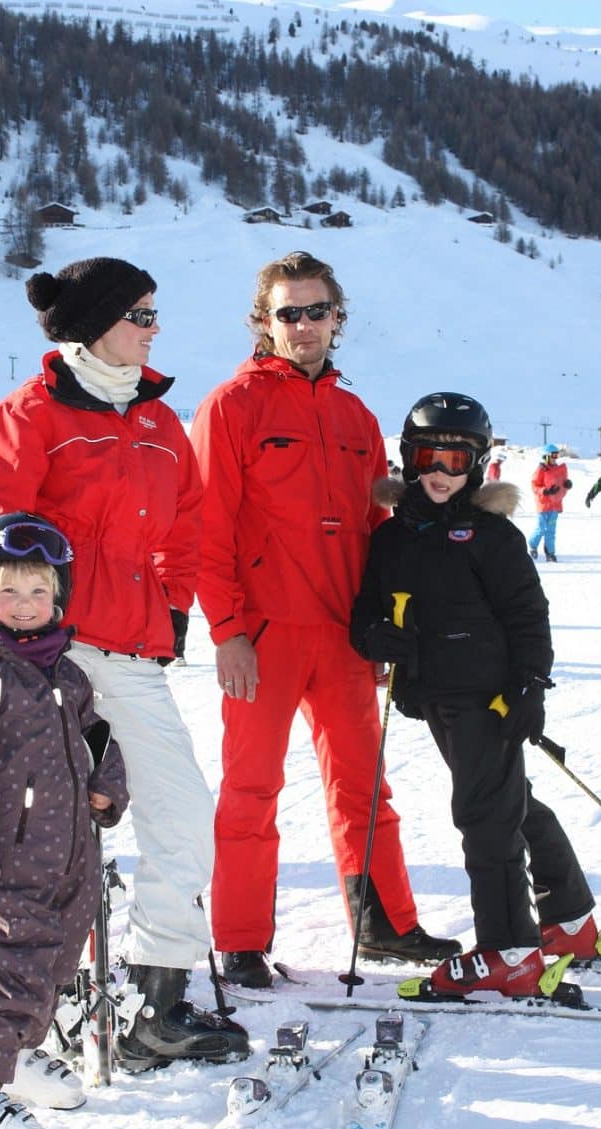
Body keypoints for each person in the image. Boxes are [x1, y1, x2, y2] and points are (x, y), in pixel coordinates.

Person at [0, 256, 248, 1070]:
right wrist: (19, 642)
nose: (154, 327)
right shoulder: (31, 414)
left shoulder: (161, 423)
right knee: (45, 837)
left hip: (130, 654)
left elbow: (186, 526)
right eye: (141, 313)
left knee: (184, 814)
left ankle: (156, 1004)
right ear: (96, 323)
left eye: (156, 312)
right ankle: (18, 1010)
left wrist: (170, 606)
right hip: (47, 654)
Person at [189, 250, 460, 989]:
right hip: (265, 634)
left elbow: (381, 530)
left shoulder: (355, 416)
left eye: (316, 311)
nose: (303, 326)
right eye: (288, 312)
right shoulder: (232, 406)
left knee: (364, 787)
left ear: (338, 317)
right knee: (251, 788)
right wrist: (227, 632)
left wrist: (383, 624)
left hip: (343, 636)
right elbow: (205, 529)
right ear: (264, 321)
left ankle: (386, 925)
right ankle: (241, 941)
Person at [350, 392, 601, 999]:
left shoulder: (490, 535)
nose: (440, 473)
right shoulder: (394, 537)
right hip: (435, 696)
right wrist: (374, 634)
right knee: (506, 799)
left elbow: (528, 613)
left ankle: (509, 950)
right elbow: (366, 608)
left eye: (455, 459)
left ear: (478, 463)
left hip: (489, 698)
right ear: (407, 458)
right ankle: (569, 918)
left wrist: (531, 683)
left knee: (485, 815)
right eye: (426, 457)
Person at [0, 513, 129, 1129]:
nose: (25, 605)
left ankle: (11, 1058)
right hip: (2, 867)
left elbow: (99, 743)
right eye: (8, 591)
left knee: (55, 963)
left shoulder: (67, 675)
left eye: (39, 591)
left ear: (58, 596)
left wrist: (107, 788)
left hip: (67, 860)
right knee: (10, 971)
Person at [528, 442, 572, 562]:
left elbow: (561, 484)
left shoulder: (558, 469)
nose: (555, 458)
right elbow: (534, 486)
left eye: (556, 455)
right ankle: (532, 545)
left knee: (551, 530)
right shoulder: (541, 470)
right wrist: (545, 491)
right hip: (543, 504)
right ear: (546, 456)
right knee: (541, 528)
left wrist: (567, 485)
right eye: (553, 456)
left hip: (555, 505)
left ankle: (550, 552)